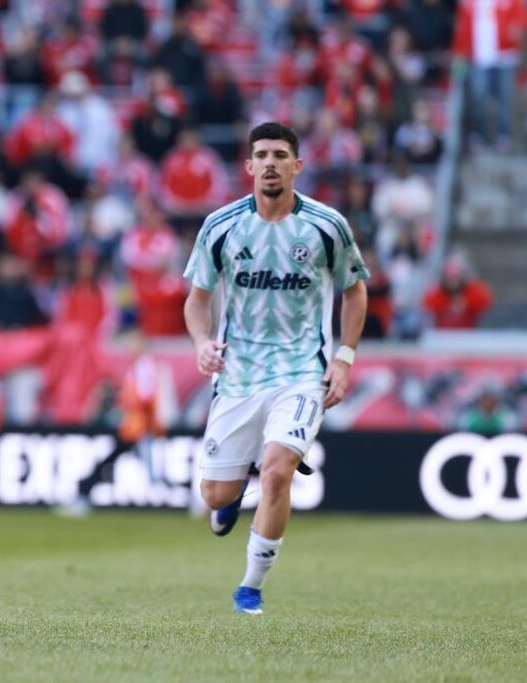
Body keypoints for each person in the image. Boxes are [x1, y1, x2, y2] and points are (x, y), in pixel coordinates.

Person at [182, 122, 369, 614]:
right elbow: (196, 300)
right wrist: (202, 342)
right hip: (238, 374)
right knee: (215, 494)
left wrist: (345, 358)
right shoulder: (220, 226)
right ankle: (232, 485)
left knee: (278, 472)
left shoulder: (327, 226)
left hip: (302, 372)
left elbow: (354, 291)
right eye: (261, 154)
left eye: (280, 155)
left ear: (296, 166)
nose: (270, 162)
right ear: (248, 166)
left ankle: (250, 586)